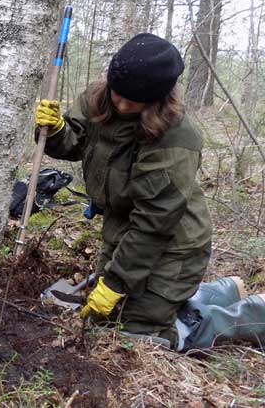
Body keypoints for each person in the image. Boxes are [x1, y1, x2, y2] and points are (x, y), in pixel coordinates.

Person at [35, 33, 265, 351]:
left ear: (158, 100)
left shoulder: (176, 138)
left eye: (135, 101)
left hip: (172, 245)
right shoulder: (100, 99)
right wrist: (57, 131)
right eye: (119, 95)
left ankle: (251, 315)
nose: (123, 105)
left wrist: (116, 282)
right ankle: (214, 293)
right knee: (103, 319)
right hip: (121, 231)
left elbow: (154, 223)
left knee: (136, 334)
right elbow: (76, 142)